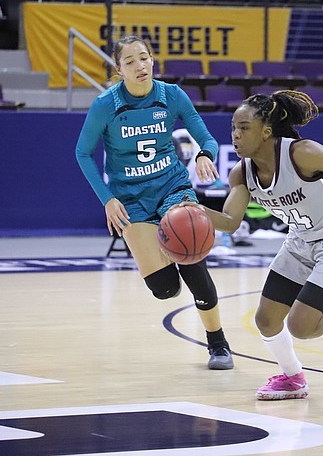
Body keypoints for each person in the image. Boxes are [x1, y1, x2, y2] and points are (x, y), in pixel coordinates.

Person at [184, 90, 323, 400]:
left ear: (266, 131)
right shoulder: (241, 173)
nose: (235, 135)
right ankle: (293, 378)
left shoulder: (301, 154)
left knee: (301, 326)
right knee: (266, 319)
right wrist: (191, 210)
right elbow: (230, 222)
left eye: (244, 127)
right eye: (233, 127)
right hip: (299, 243)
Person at [75, 35, 234, 370]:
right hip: (131, 198)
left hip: (172, 187)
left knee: (192, 260)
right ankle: (164, 246)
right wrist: (107, 200)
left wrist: (206, 154)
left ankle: (218, 344)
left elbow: (205, 137)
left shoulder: (171, 95)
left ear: (152, 60)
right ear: (118, 69)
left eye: (144, 58)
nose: (139, 66)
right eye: (130, 61)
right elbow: (82, 153)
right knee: (165, 290)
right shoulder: (106, 105)